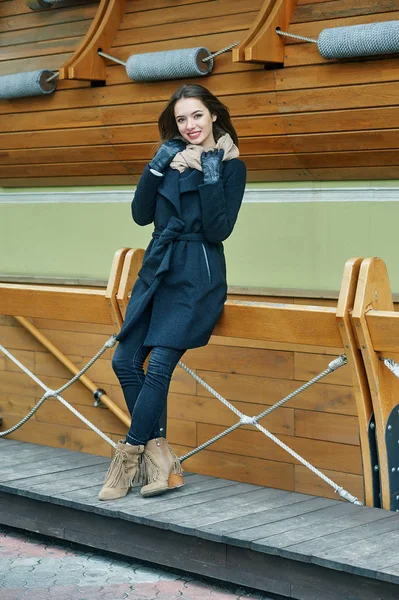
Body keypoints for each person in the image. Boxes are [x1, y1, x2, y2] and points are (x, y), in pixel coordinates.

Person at [98, 83, 246, 501]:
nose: (190, 125)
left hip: (197, 273)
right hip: (158, 268)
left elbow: (219, 229)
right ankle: (160, 456)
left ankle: (127, 457)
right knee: (125, 360)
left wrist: (210, 169)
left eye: (197, 115)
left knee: (160, 363)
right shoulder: (169, 159)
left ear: (213, 115)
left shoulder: (232, 166)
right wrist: (159, 164)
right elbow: (141, 214)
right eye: (181, 119)